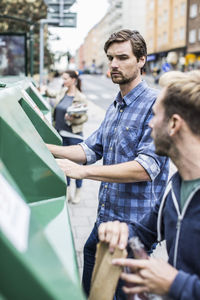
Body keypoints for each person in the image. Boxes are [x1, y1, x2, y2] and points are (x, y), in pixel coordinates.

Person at [46, 29, 169, 297]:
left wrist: (83, 173)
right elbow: (90, 149)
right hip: (104, 221)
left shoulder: (156, 105)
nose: (113, 64)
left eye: (122, 57)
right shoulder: (115, 105)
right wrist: (44, 148)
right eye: (110, 57)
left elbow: (147, 167)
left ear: (141, 60)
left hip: (133, 230)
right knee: (90, 292)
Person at [98, 70, 200, 300]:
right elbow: (142, 234)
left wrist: (176, 284)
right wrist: (122, 231)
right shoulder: (176, 187)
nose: (151, 124)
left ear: (174, 124)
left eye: (155, 116)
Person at [51, 70, 88, 204]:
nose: (63, 81)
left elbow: (84, 117)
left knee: (77, 166)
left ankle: (78, 191)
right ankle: (67, 191)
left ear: (73, 80)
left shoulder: (80, 97)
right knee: (64, 165)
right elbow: (52, 95)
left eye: (65, 78)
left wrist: (73, 119)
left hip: (74, 136)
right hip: (61, 135)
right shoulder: (62, 92)